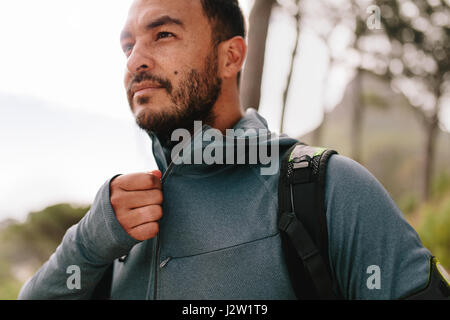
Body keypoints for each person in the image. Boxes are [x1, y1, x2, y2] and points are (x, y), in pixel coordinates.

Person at [18, 0, 441, 300]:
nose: (135, 61)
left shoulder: (327, 189)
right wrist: (90, 243)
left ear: (231, 57)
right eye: (128, 46)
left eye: (162, 34)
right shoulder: (116, 223)